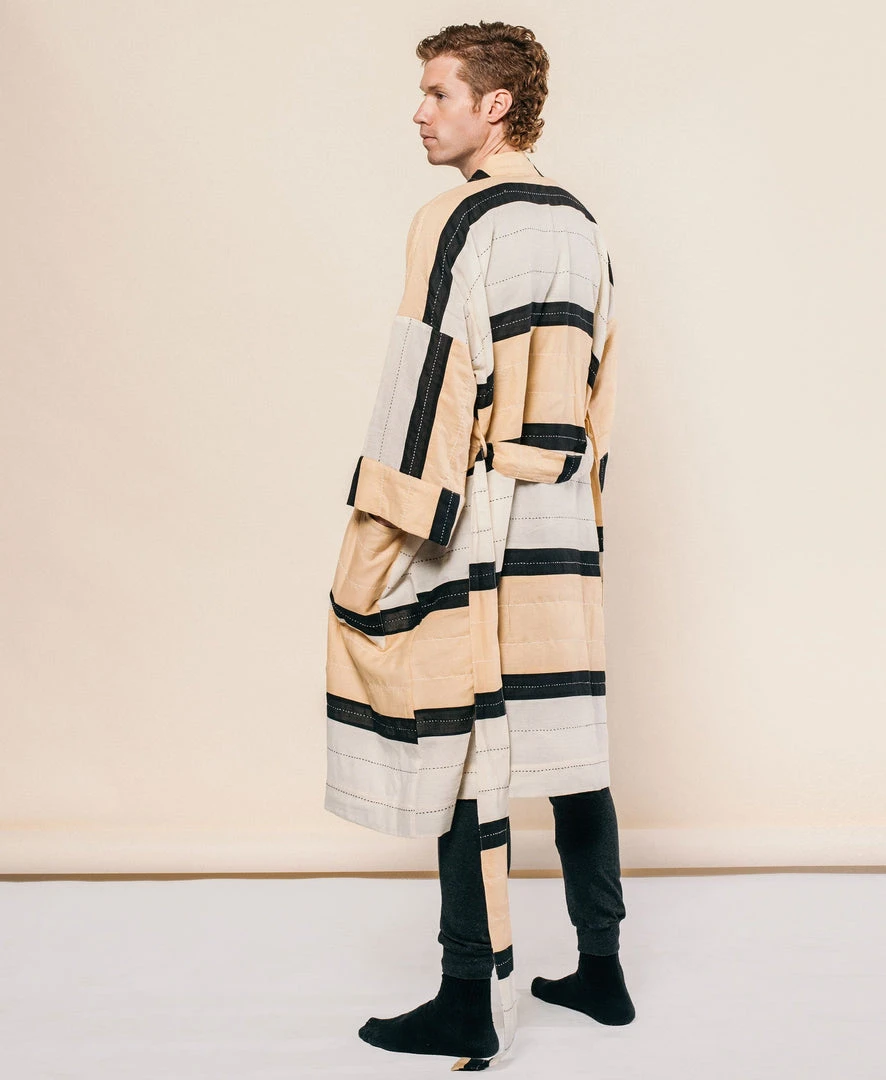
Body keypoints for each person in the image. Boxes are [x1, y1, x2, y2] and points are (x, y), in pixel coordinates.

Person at [324, 20, 634, 1068]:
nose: (419, 112)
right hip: (564, 516)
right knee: (572, 739)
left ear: (494, 106)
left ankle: (467, 995)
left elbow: (428, 382)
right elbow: (602, 389)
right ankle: (601, 970)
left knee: (467, 749)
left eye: (438, 92)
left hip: (478, 508)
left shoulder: (456, 218)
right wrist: (587, 514)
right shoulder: (583, 223)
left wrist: (383, 528)